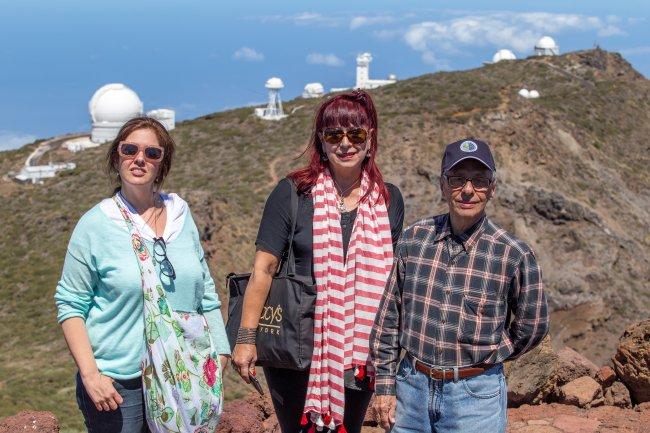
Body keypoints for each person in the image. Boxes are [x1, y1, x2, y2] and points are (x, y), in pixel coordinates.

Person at [232, 90, 404, 433]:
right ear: (321, 142)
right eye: (333, 135)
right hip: (295, 346)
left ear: (370, 139)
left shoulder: (388, 200)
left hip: (358, 350)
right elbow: (263, 269)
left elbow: (390, 282)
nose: (345, 143)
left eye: (355, 134)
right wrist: (246, 337)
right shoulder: (293, 192)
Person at [55, 117, 230, 433]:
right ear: (116, 156)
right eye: (130, 149)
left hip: (184, 371)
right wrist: (91, 375)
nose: (139, 158)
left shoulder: (181, 214)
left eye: (152, 153)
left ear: (162, 163)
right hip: (119, 384)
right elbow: (70, 305)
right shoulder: (96, 225)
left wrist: (221, 351)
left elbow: (205, 290)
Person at [370, 138, 549, 433]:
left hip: (475, 398)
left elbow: (534, 325)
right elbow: (389, 318)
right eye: (457, 179)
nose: (468, 190)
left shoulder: (512, 253)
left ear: (492, 188)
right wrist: (385, 386)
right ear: (442, 185)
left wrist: (494, 352)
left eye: (479, 181)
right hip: (411, 391)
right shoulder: (414, 240)